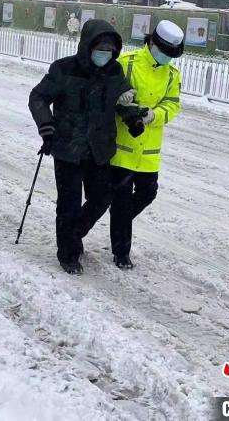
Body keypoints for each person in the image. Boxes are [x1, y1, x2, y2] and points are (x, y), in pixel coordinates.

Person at [29, 19, 144, 275]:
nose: (105, 54)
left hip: (99, 149)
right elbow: (38, 97)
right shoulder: (64, 69)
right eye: (100, 49)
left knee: (103, 196)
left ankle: (74, 233)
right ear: (87, 46)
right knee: (69, 203)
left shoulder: (114, 72)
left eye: (110, 51)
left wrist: (132, 117)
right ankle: (68, 254)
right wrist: (46, 126)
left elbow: (124, 99)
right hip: (68, 148)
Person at [110, 20, 184, 269]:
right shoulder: (127, 63)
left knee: (147, 193)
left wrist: (154, 115)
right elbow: (109, 92)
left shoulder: (172, 74)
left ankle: (119, 222)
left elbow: (173, 104)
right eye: (163, 52)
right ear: (151, 43)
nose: (166, 58)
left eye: (171, 55)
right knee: (120, 199)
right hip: (123, 148)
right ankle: (121, 253)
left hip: (149, 151)